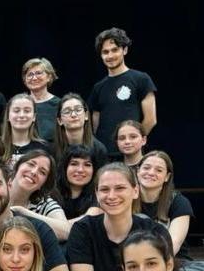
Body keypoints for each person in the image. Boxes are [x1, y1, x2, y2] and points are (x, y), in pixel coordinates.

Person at [137, 150, 204, 271]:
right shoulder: (125, 197)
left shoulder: (178, 201)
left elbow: (173, 244)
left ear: (166, 177)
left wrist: (153, 267)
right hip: (134, 262)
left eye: (159, 170)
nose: (151, 173)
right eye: (146, 168)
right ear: (137, 171)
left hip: (170, 263)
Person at [89, 27, 157, 156]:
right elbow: (95, 126)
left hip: (131, 155)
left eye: (115, 50)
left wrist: (133, 143)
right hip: (104, 155)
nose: (110, 56)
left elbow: (151, 119)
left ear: (124, 50)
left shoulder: (141, 79)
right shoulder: (98, 87)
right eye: (105, 52)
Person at [53, 93, 108, 168]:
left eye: (78, 110)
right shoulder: (52, 150)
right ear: (60, 120)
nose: (73, 115)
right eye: (67, 112)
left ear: (86, 115)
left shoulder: (99, 149)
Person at [0, 93, 51, 169]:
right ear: (8, 116)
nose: (21, 115)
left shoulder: (44, 148)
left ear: (34, 117)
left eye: (27, 111)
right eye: (16, 111)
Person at [54, 145, 101, 221]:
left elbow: (84, 224)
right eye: (74, 164)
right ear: (65, 168)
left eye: (87, 165)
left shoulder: (99, 195)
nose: (80, 170)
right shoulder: (51, 194)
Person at [22, 58, 60, 142]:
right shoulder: (19, 104)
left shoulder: (59, 104)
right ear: (25, 80)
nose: (34, 78)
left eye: (38, 73)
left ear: (49, 77)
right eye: (30, 74)